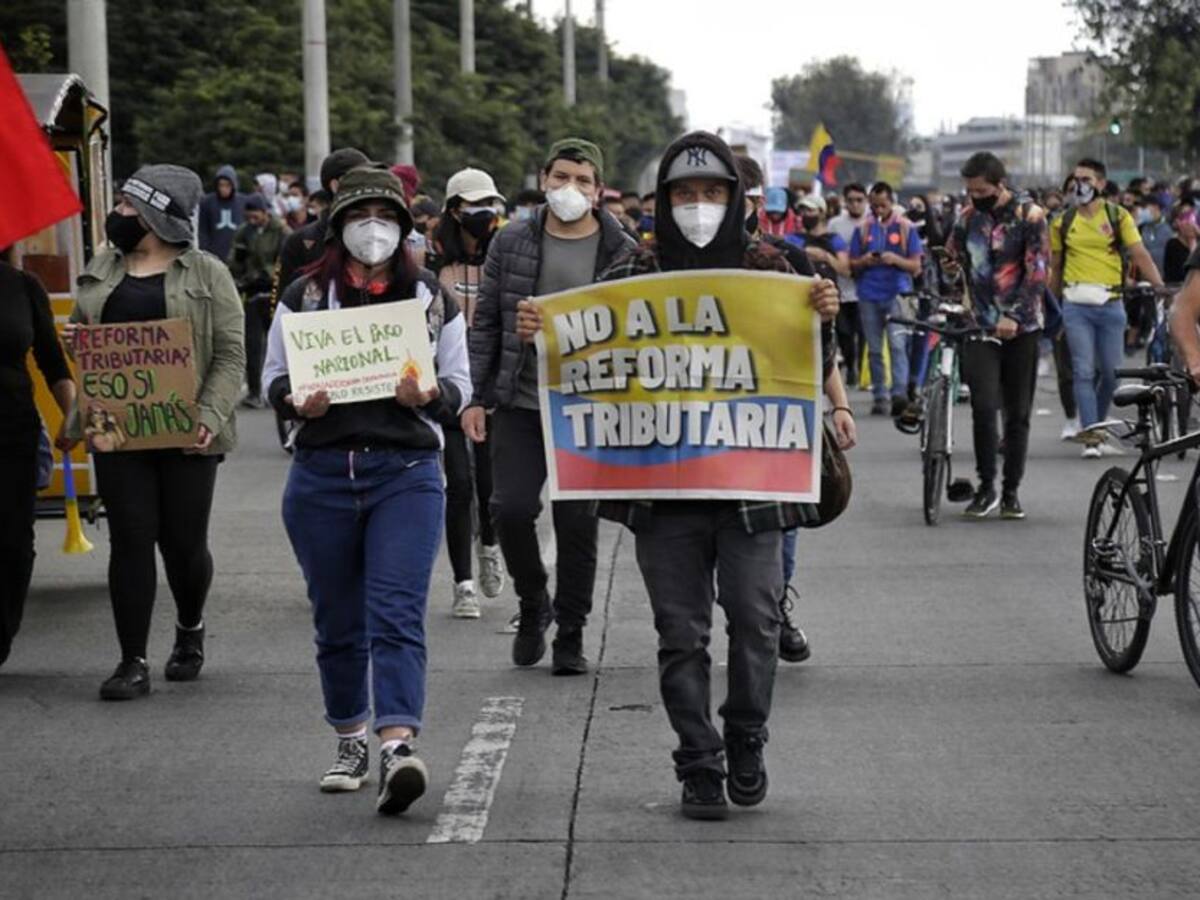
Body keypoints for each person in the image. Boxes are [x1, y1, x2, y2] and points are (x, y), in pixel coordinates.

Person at [516, 131, 839, 820]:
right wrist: (539, 331)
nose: (699, 206)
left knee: (755, 620)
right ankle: (697, 760)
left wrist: (825, 318)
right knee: (680, 632)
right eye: (686, 194)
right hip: (663, 493)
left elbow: (808, 356)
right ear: (665, 201)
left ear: (735, 199)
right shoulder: (634, 272)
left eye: (712, 193)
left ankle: (746, 734)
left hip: (751, 485)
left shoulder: (774, 266)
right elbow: (582, 355)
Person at [263, 165, 471, 815]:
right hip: (322, 477)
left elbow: (461, 388)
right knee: (337, 618)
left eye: (385, 217)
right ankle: (350, 737)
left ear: (406, 229)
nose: (372, 230)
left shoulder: (432, 300)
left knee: (396, 610)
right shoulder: (302, 299)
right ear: (336, 229)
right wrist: (298, 401)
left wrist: (430, 395)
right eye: (358, 217)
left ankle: (398, 745)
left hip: (405, 476)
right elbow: (274, 379)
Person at [64, 164, 245, 700]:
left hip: (188, 432)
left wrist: (208, 418)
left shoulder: (206, 272)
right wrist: (79, 343)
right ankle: (132, 660)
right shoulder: (103, 267)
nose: (116, 214)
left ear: (153, 215)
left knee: (183, 545)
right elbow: (87, 338)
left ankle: (189, 627)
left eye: (125, 206)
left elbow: (232, 354)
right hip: (117, 431)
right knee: (130, 540)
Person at [464, 137, 634, 674]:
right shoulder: (511, 241)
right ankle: (533, 602)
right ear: (544, 181)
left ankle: (572, 633)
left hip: (588, 409)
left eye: (583, 180)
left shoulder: (623, 250)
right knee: (509, 509)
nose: (571, 189)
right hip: (519, 400)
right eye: (561, 178)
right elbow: (486, 321)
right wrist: (474, 394)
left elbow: (635, 332)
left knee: (578, 525)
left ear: (600, 189)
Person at [735, 154, 848, 664]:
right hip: (697, 424)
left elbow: (817, 346)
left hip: (777, 418)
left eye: (733, 193)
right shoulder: (661, 266)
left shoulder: (789, 261)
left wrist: (839, 404)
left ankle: (775, 609)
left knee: (779, 524)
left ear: (759, 202)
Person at [945, 152, 1048, 519]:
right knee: (984, 406)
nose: (975, 196)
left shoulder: (1029, 216)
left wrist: (1014, 315)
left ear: (999, 184)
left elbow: (1037, 273)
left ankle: (1010, 490)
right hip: (979, 325)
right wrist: (949, 271)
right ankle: (986, 485)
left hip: (1022, 327)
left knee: (1017, 414)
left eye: (982, 190)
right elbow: (951, 257)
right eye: (970, 190)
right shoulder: (967, 218)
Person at [432, 167, 508, 618]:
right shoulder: (431, 265)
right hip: (448, 386)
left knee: (490, 487)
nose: (485, 214)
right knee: (458, 485)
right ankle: (463, 584)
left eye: (490, 205)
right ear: (454, 211)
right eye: (475, 206)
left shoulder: (504, 254)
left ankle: (491, 545)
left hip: (492, 387)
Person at [1050, 158, 1165, 458]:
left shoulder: (1118, 216)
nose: (1080, 185)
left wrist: (1159, 285)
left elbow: (1140, 255)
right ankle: (1092, 436)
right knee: (1084, 372)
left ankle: (1096, 426)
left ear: (1101, 184)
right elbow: (1055, 267)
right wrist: (1051, 307)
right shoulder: (1062, 222)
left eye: (1086, 179)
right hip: (1075, 306)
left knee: (1113, 375)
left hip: (1111, 304)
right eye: (1076, 179)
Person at [0, 259, 75, 668]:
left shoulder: (23, 286)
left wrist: (74, 416)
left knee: (12, 542)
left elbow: (53, 361)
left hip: (12, 433)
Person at [849, 181, 924, 417]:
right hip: (868, 294)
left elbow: (916, 266)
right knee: (873, 349)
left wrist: (895, 259)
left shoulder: (906, 228)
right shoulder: (862, 229)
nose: (878, 211)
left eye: (882, 205)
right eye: (874, 207)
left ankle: (899, 394)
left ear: (891, 202)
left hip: (897, 293)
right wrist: (865, 261)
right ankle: (879, 394)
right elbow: (850, 263)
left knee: (897, 345)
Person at [276, 148, 370, 293]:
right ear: (336, 186)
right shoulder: (299, 242)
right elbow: (283, 302)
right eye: (362, 178)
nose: (372, 185)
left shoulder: (378, 234)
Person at [229, 194, 289, 407]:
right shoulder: (244, 232)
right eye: (249, 217)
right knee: (252, 345)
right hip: (252, 292)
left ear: (265, 212)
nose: (252, 220)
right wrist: (238, 257)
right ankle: (254, 392)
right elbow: (234, 264)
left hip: (274, 291)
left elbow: (288, 259)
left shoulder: (281, 231)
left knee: (279, 345)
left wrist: (271, 273)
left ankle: (282, 390)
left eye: (255, 216)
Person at [829, 183, 869, 387]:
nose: (855, 204)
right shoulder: (835, 224)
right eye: (851, 200)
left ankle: (861, 370)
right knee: (844, 332)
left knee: (863, 333)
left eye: (859, 200)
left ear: (866, 201)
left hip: (864, 288)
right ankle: (850, 362)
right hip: (842, 287)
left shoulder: (872, 223)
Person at [197, 165, 247, 260]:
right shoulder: (207, 202)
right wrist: (204, 250)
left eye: (227, 185)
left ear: (233, 185)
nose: (224, 189)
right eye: (221, 185)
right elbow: (203, 230)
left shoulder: (243, 201)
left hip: (236, 253)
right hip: (214, 251)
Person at [1164, 202, 1198, 285]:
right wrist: (1192, 245)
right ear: (1177, 222)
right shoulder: (1172, 245)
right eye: (1185, 219)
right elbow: (1184, 275)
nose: (1190, 224)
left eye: (1193, 219)